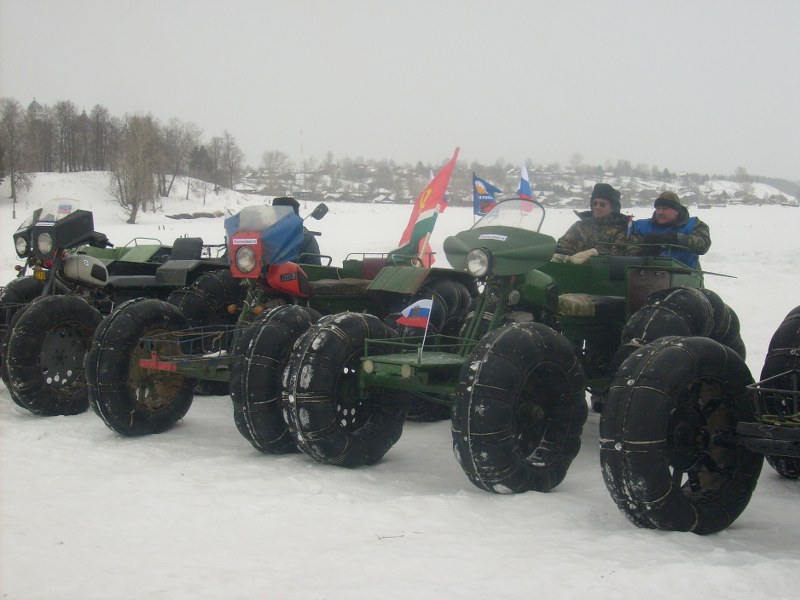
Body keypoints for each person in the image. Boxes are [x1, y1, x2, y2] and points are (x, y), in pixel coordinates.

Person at [631, 191, 711, 269]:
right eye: (658, 208)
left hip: (685, 276)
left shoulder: (694, 224)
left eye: (665, 208)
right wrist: (643, 250)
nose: (660, 212)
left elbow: (703, 245)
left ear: (677, 211)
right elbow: (624, 242)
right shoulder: (640, 226)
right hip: (647, 275)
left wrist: (675, 238)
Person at [556, 183, 635, 260]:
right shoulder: (580, 227)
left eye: (602, 204)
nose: (597, 207)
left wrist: (596, 253)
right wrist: (560, 256)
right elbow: (563, 245)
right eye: (594, 203)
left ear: (613, 207)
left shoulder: (625, 228)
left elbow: (631, 254)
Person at [273, 196, 322, 265]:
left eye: (278, 213)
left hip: (294, 274)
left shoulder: (306, 238)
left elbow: (313, 267)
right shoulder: (267, 234)